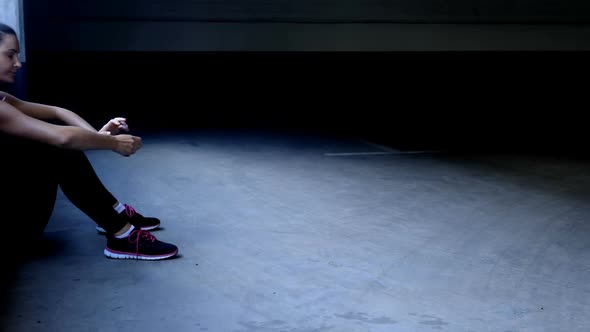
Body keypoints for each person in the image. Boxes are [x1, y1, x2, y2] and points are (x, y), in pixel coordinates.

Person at [0, 22, 178, 260]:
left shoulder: (3, 99)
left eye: (18, 56)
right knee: (57, 149)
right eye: (10, 55)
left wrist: (98, 136)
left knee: (57, 145)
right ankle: (120, 232)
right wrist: (113, 144)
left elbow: (58, 111)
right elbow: (63, 138)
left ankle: (116, 218)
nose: (18, 64)